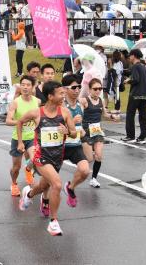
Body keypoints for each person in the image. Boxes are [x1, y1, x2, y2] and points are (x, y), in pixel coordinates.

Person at [17, 81, 78, 236]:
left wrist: (67, 131)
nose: (64, 96)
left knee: (43, 187)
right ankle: (54, 222)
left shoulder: (64, 113)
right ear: (50, 96)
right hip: (41, 157)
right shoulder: (37, 113)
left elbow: (74, 133)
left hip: (57, 157)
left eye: (64, 93)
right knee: (57, 185)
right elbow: (19, 122)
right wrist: (20, 141)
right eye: (61, 93)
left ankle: (28, 194)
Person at [79, 78, 118, 188]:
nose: (98, 91)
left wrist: (111, 116)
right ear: (90, 89)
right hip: (86, 131)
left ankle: (94, 179)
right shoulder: (85, 101)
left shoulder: (101, 100)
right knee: (90, 159)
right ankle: (79, 157)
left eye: (100, 88)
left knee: (99, 155)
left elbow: (104, 114)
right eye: (95, 89)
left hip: (97, 131)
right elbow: (79, 114)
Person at [6, 75, 39, 197]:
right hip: (18, 138)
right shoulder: (16, 103)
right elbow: (8, 121)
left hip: (32, 137)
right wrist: (20, 121)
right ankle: (14, 184)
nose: (25, 87)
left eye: (28, 85)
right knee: (16, 167)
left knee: (36, 158)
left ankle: (28, 169)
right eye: (23, 85)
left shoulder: (37, 101)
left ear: (32, 87)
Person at [61, 75, 89, 207]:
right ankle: (45, 200)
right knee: (49, 181)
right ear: (65, 89)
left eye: (79, 87)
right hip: (60, 145)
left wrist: (81, 129)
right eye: (74, 87)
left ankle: (71, 187)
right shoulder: (59, 105)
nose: (77, 90)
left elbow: (79, 125)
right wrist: (71, 122)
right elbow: (55, 127)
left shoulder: (81, 104)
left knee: (85, 171)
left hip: (75, 145)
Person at [121, 49, 146, 144]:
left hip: (136, 94)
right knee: (143, 117)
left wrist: (127, 81)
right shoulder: (142, 66)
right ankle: (142, 137)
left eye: (130, 55)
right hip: (144, 95)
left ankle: (130, 136)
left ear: (134, 56)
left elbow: (136, 79)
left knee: (130, 115)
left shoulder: (135, 66)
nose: (129, 57)